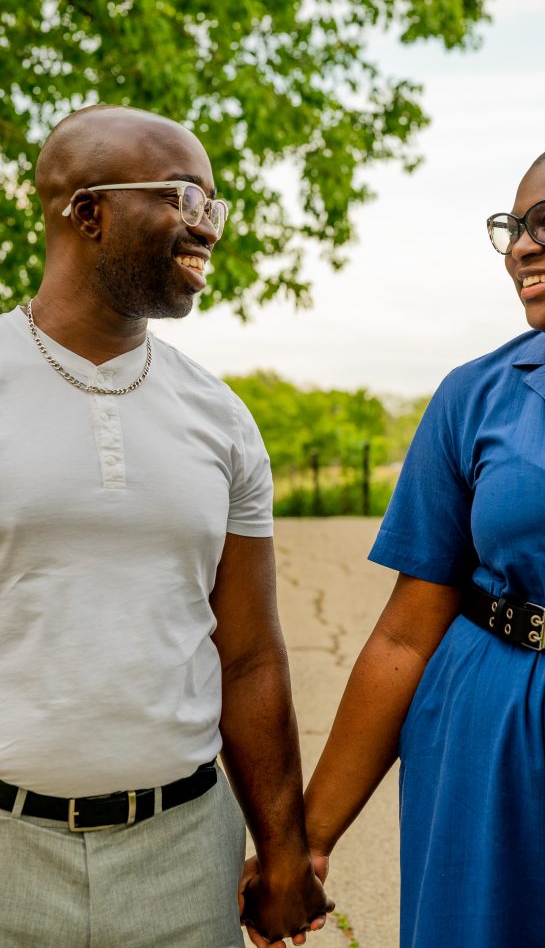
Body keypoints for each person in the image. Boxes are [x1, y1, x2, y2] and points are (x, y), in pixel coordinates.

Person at [301, 135, 545, 947]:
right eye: (511, 227)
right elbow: (407, 629)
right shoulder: (476, 397)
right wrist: (310, 838)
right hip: (486, 751)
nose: (522, 248)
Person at [0, 103, 332, 948]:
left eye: (214, 206)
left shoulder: (220, 418)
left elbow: (251, 656)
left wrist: (283, 851)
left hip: (184, 859)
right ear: (87, 211)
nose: (207, 228)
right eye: (185, 197)